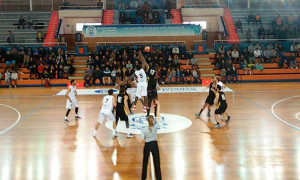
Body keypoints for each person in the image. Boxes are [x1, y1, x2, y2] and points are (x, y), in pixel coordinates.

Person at [141, 99, 162, 180]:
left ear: (147, 121)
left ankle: (143, 178)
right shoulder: (155, 126)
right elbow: (158, 114)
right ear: (152, 121)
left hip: (147, 145)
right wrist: (158, 105)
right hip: (154, 145)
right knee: (157, 163)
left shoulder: (143, 130)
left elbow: (142, 140)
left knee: (145, 163)